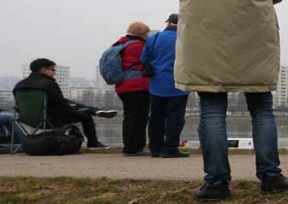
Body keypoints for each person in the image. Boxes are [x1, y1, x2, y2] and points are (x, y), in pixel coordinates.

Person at [175, 0, 288, 201]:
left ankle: (215, 183)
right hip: (252, 35)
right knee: (261, 107)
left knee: (212, 109)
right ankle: (270, 176)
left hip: (203, 35)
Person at [13, 58, 117, 148]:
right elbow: (61, 107)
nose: (54, 73)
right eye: (53, 70)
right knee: (85, 116)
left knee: (70, 103)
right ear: (43, 69)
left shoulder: (19, 86)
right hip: (50, 120)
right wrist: (75, 109)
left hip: (26, 121)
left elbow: (18, 106)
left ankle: (94, 110)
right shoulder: (49, 84)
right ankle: (93, 141)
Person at [140, 13, 190, 158]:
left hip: (157, 84)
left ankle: (155, 149)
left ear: (167, 22)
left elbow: (143, 58)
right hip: (178, 84)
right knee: (175, 118)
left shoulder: (154, 38)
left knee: (156, 118)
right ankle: (170, 149)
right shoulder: (185, 39)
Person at [111, 22, 151, 156]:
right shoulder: (139, 46)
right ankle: (134, 148)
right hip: (138, 85)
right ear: (142, 33)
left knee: (129, 117)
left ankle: (128, 146)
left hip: (123, 86)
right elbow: (148, 62)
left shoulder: (120, 44)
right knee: (139, 117)